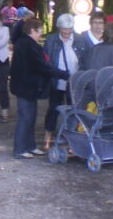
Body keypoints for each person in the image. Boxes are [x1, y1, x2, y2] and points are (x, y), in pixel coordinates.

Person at [10, 17, 69, 159]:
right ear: (31, 31)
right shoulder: (29, 46)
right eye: (39, 31)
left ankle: (29, 146)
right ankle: (19, 149)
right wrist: (64, 74)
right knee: (26, 118)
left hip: (27, 87)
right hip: (26, 87)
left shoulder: (24, 43)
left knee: (31, 117)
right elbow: (43, 66)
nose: (41, 34)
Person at [43, 14, 80, 149]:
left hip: (75, 81)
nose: (67, 32)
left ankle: (71, 139)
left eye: (69, 29)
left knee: (73, 109)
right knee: (53, 109)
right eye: (64, 29)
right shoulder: (51, 40)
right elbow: (46, 61)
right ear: (59, 28)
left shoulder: (80, 40)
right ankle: (47, 137)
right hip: (57, 80)